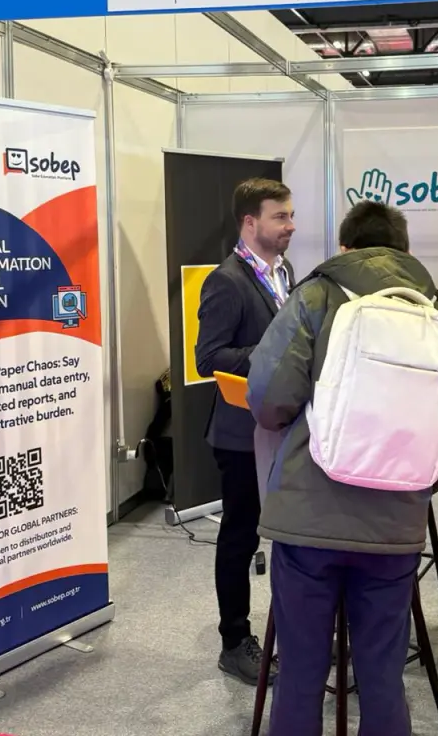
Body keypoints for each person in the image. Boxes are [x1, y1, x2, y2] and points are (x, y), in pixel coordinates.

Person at [247, 201, 438, 736]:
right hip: (395, 525)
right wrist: (410, 485)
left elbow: (269, 398)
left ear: (346, 248)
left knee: (301, 672)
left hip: (309, 516)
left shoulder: (316, 297)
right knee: (383, 674)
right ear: (405, 250)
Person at [193, 177, 296, 685]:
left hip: (279, 424)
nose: (291, 225)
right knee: (240, 536)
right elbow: (208, 357)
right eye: (280, 216)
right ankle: (234, 642)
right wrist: (275, 350)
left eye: (291, 215)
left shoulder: (284, 272)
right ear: (250, 222)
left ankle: (290, 632)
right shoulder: (227, 281)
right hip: (240, 434)